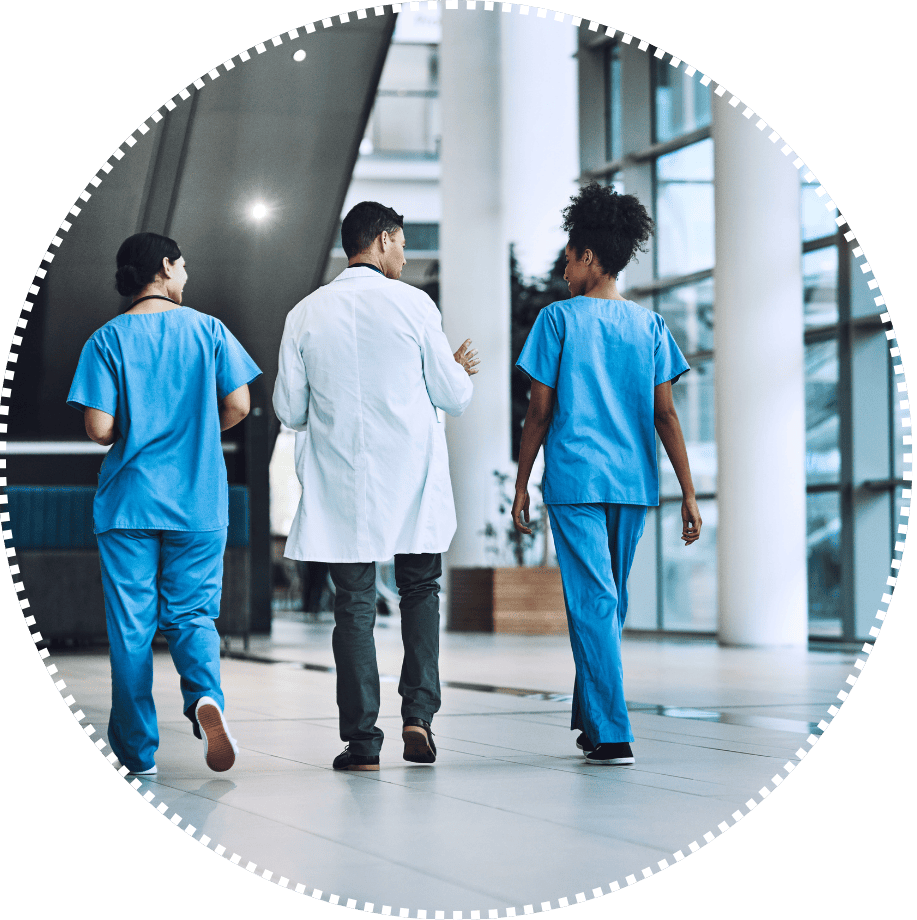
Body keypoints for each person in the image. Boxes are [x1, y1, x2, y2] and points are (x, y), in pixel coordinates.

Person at [273, 201, 478, 770]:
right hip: (412, 481)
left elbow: (289, 409)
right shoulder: (414, 305)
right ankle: (418, 716)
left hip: (345, 485)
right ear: (384, 240)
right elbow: (453, 394)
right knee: (420, 592)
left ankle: (362, 743)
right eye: (404, 244)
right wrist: (457, 369)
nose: (405, 256)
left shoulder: (305, 314)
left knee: (354, 608)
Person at [512, 182, 701, 766]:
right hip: (633, 484)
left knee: (595, 604)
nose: (565, 270)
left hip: (574, 482)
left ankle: (614, 733)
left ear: (589, 257)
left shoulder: (557, 320)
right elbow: (664, 415)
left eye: (569, 259)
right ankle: (592, 720)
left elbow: (539, 411)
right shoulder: (650, 328)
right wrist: (688, 495)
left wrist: (521, 483)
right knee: (607, 605)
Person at [67, 232, 262, 776]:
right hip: (198, 499)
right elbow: (240, 404)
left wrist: (136, 431)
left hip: (128, 503)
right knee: (193, 614)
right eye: (182, 266)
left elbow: (99, 427)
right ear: (165, 266)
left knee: (131, 627)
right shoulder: (210, 331)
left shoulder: (106, 339)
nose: (186, 276)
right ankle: (205, 699)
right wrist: (197, 428)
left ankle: (138, 754)